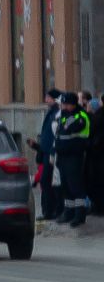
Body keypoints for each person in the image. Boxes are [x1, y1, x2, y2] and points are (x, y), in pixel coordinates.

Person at [54, 92, 91, 226]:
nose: (63, 107)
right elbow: (60, 131)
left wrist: (65, 120)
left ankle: (79, 215)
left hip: (75, 156)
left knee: (76, 186)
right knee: (66, 187)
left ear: (73, 104)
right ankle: (68, 212)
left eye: (66, 104)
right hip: (63, 156)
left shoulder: (80, 116)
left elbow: (68, 128)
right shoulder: (66, 115)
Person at [32, 86, 64, 222]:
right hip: (46, 152)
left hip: (52, 153)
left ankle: (52, 210)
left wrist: (48, 150)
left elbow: (54, 135)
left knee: (49, 181)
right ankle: (48, 210)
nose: (46, 100)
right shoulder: (51, 113)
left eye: (48, 97)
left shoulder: (57, 114)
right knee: (46, 182)